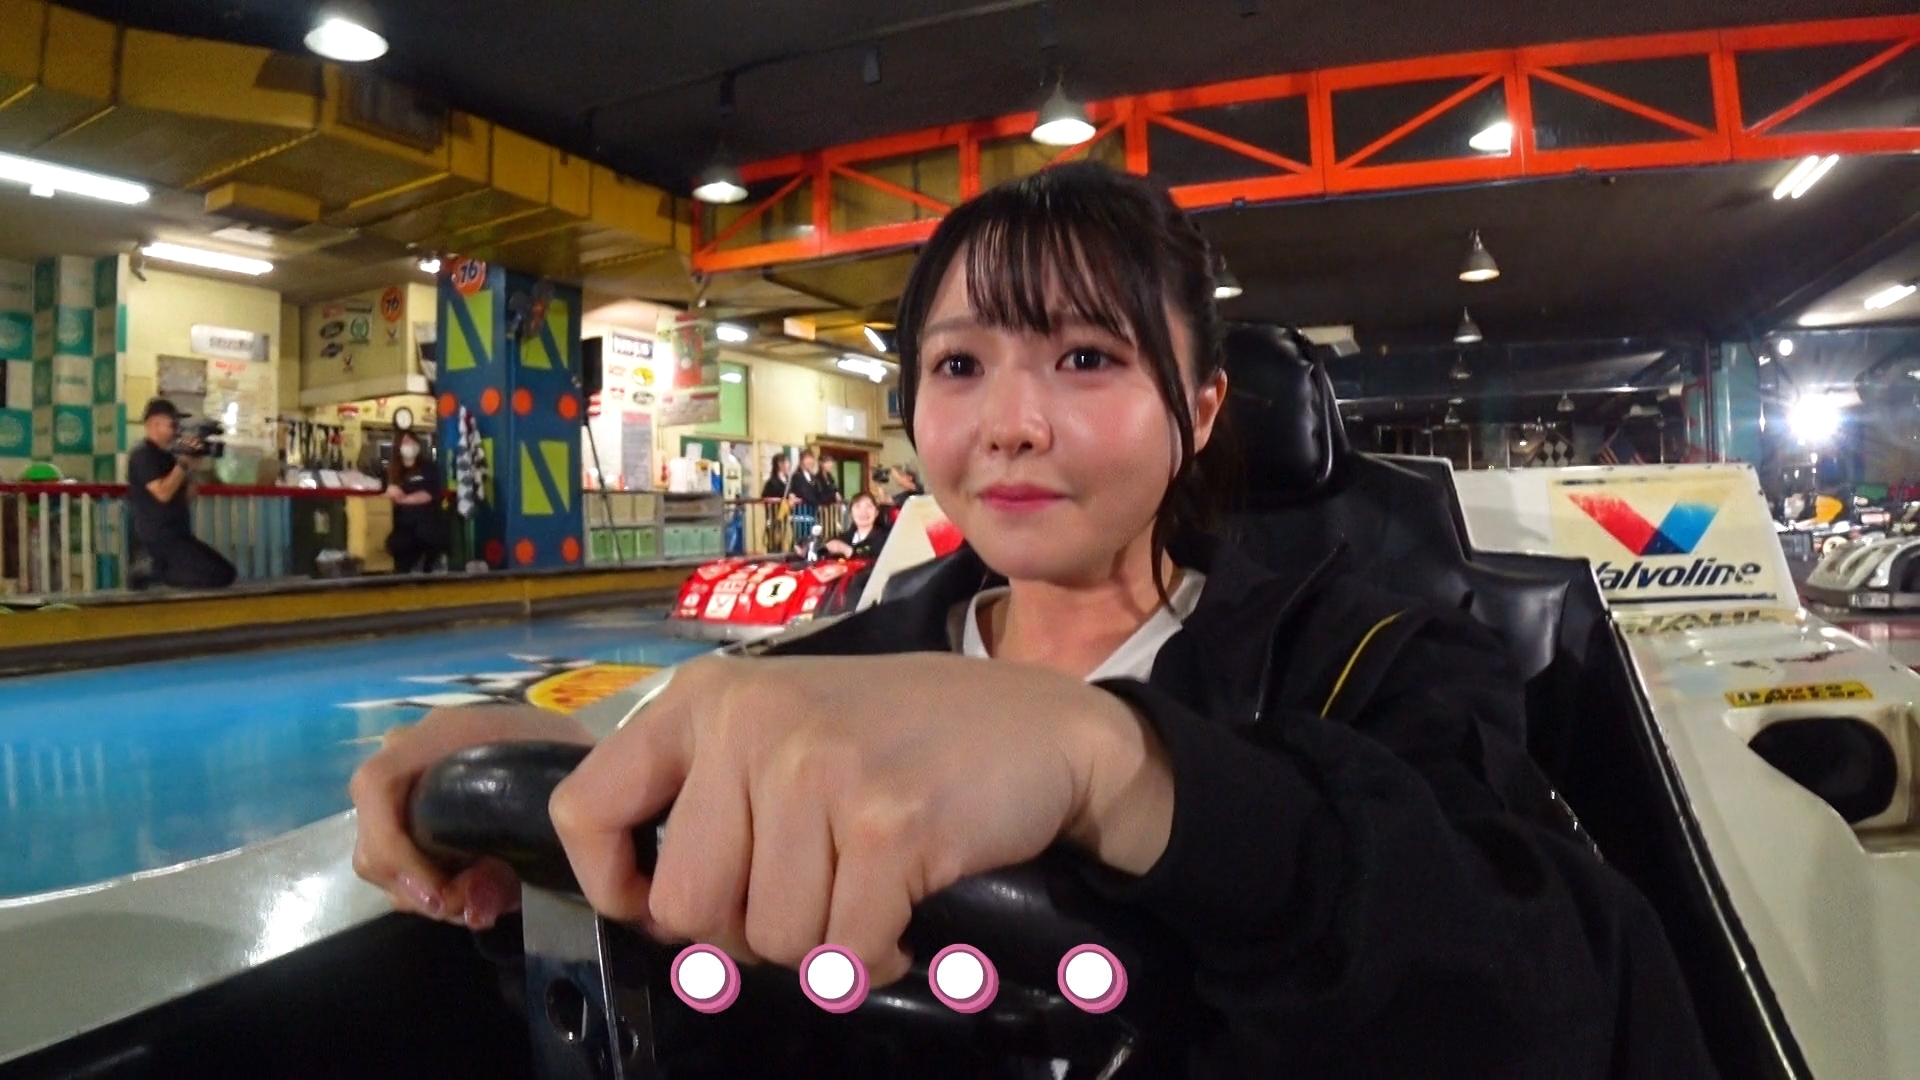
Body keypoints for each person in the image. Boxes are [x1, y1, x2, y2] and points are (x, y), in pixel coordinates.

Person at [349, 163, 1713, 1076]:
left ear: (1205, 410)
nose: (1010, 422)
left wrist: (1121, 767)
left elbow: (1552, 995)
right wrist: (566, 791)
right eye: (960, 365)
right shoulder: (837, 673)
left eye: (1086, 357)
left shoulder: (1375, 657)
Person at [126, 398, 236, 590]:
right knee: (216, 574)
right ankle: (153, 569)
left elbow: (188, 494)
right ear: (155, 424)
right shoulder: (143, 455)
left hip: (179, 535)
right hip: (158, 538)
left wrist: (193, 463)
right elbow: (162, 493)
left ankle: (157, 570)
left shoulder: (169, 457)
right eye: (172, 425)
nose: (176, 430)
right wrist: (183, 463)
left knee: (226, 572)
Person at [384, 431, 447, 574]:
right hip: (403, 526)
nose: (410, 445)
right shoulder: (393, 471)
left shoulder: (428, 468)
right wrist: (391, 491)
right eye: (406, 442)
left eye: (413, 441)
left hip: (428, 523)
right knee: (397, 547)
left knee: (427, 539)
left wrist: (403, 499)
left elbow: (428, 494)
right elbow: (386, 493)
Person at [824, 492, 890, 560]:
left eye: (868, 506)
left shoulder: (886, 539)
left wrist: (849, 552)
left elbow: (878, 562)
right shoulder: (844, 538)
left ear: (876, 512)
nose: (863, 512)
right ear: (851, 512)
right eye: (858, 506)